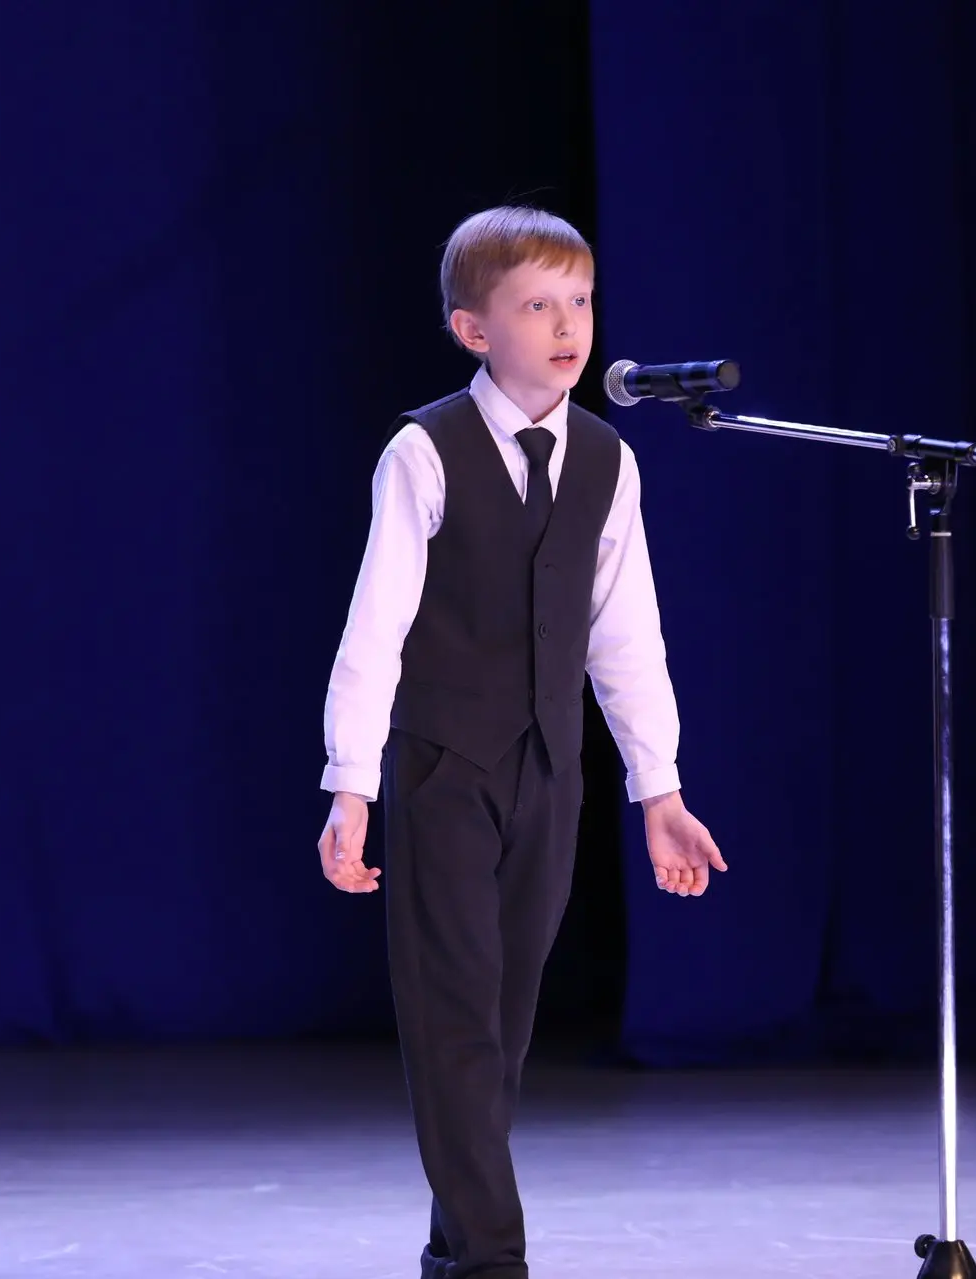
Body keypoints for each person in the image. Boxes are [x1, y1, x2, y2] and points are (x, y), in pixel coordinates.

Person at [315, 205, 726, 1279]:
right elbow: (376, 625)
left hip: (549, 771)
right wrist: (352, 783)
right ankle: (495, 1260)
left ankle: (455, 1253)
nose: (566, 325)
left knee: (500, 1024)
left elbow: (625, 632)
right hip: (444, 767)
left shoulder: (608, 458)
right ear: (474, 329)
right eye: (536, 304)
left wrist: (659, 790)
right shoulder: (426, 450)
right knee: (453, 1016)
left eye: (578, 300)